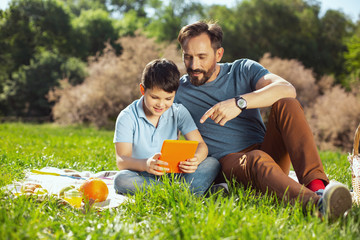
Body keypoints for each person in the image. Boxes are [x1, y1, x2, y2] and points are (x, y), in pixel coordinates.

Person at [174, 20, 352, 220]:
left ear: (219, 54)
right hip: (230, 164)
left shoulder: (242, 69)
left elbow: (287, 89)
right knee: (256, 159)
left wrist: (239, 102)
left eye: (201, 57)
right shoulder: (178, 91)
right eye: (187, 57)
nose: (193, 65)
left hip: (268, 152)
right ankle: (318, 205)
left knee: (287, 103)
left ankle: (318, 188)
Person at [113, 58, 220, 196]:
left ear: (175, 94)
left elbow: (201, 145)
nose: (161, 104)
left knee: (212, 163)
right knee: (121, 180)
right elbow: (122, 161)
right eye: (155, 97)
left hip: (174, 174)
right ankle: (184, 193)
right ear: (142, 90)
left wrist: (196, 159)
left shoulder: (179, 112)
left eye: (168, 99)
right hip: (143, 175)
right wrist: (146, 164)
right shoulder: (127, 117)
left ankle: (173, 192)